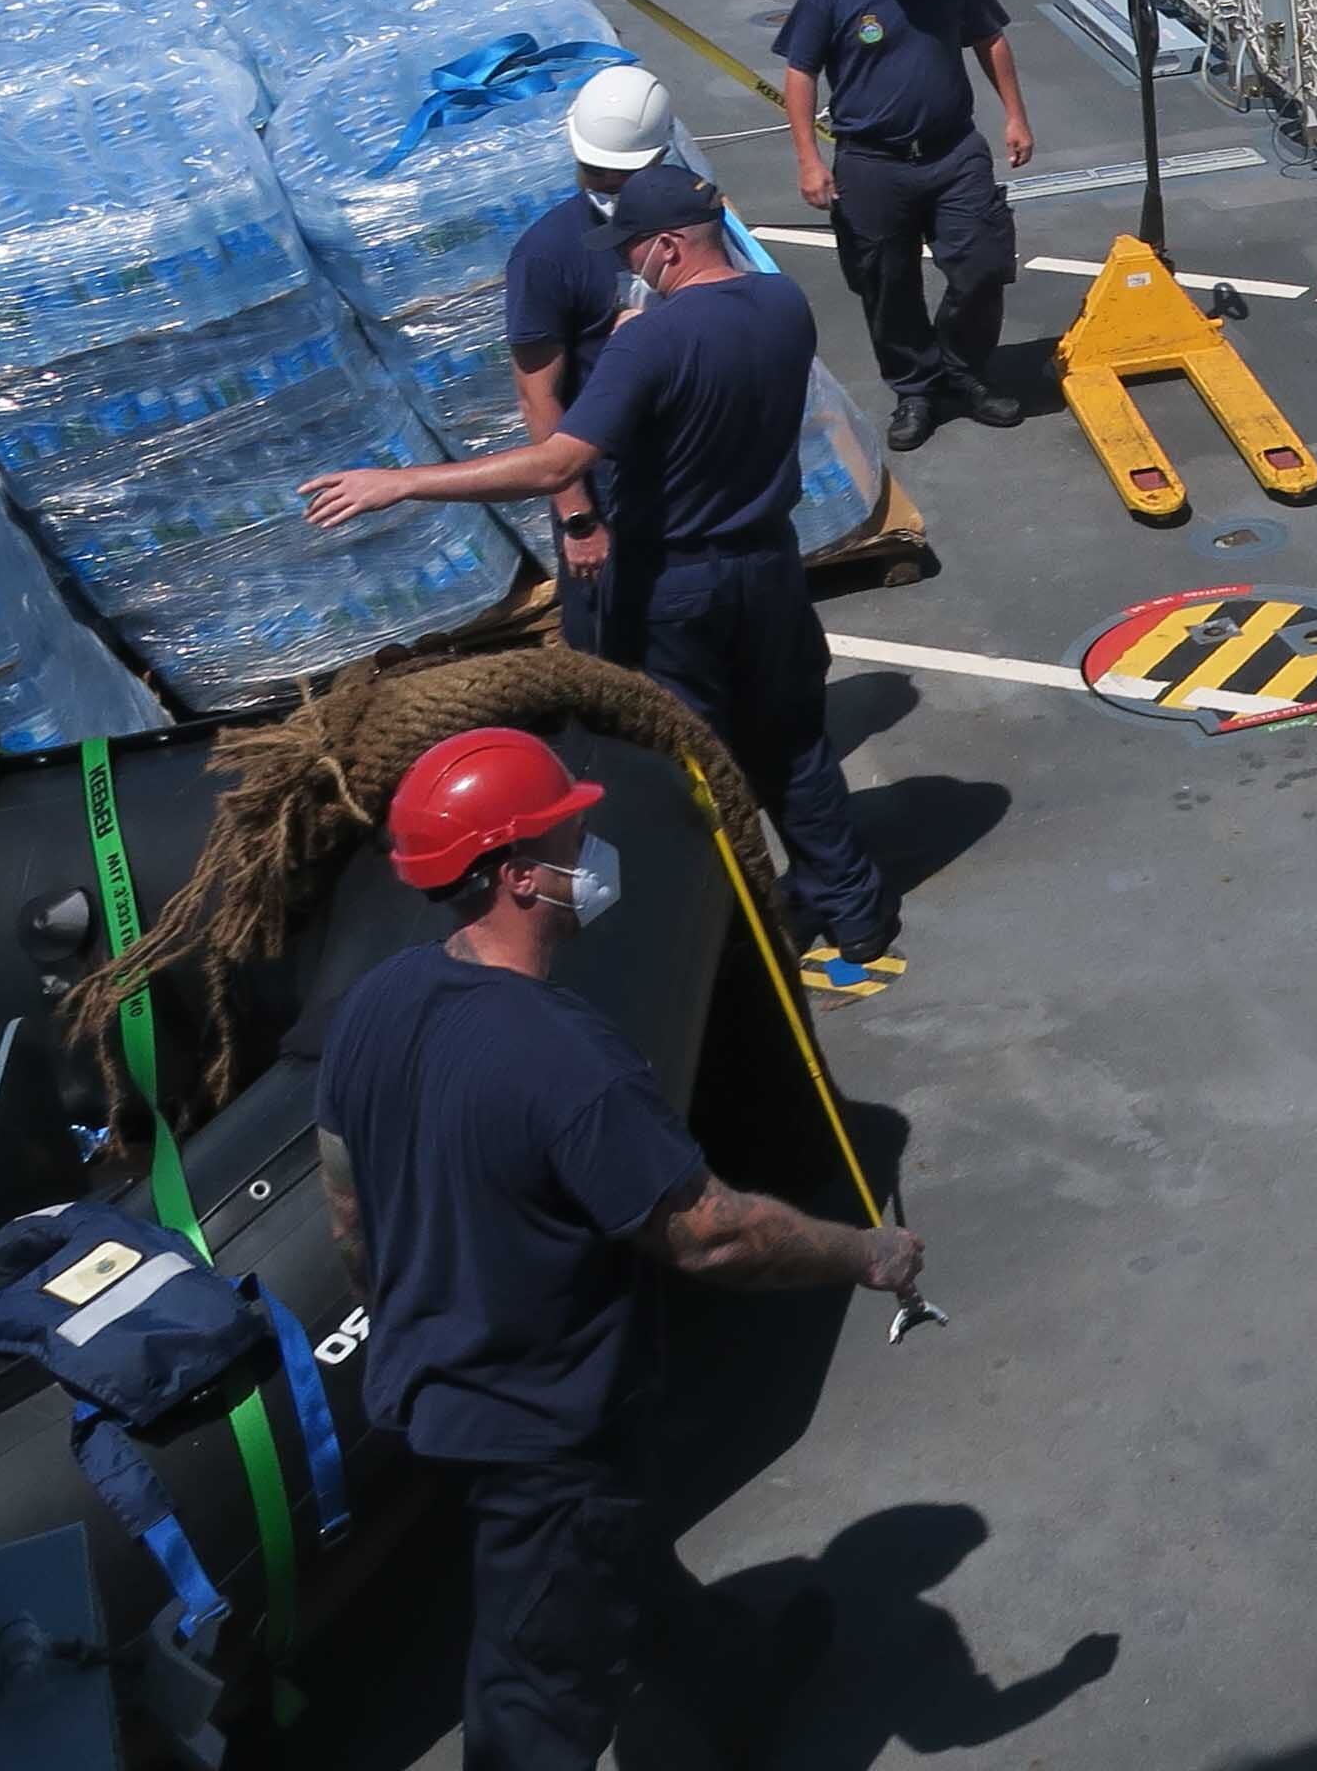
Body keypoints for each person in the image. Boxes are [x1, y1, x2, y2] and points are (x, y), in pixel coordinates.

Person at [315, 725, 920, 1770]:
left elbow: (347, 1203)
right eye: (571, 838)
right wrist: (863, 1254)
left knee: (619, 1564)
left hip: (433, 1394)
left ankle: (739, 1685)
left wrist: (418, 1313)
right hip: (545, 1438)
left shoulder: (379, 1003)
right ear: (518, 876)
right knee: (537, 1693)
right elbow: (712, 1236)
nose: (591, 856)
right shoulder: (568, 1063)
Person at [307, 163, 898, 983]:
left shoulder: (650, 341)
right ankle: (857, 912)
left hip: (672, 588)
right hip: (768, 568)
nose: (624, 265)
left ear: (666, 249)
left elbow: (556, 464)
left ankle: (730, 943)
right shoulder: (783, 305)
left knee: (682, 770)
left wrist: (400, 482)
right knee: (794, 742)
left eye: (630, 251)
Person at [772, 0, 1034, 452]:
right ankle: (914, 388)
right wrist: (808, 158)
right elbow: (800, 71)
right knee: (885, 282)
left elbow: (989, 38)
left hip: (952, 151)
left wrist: (1014, 115)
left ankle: (963, 368)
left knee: (983, 264)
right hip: (872, 162)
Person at [497, 69, 689, 600]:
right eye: (600, 171)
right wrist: (578, 519)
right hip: (613, 487)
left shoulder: (692, 220)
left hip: (694, 469)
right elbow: (539, 396)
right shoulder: (548, 254)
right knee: (618, 655)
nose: (611, 186)